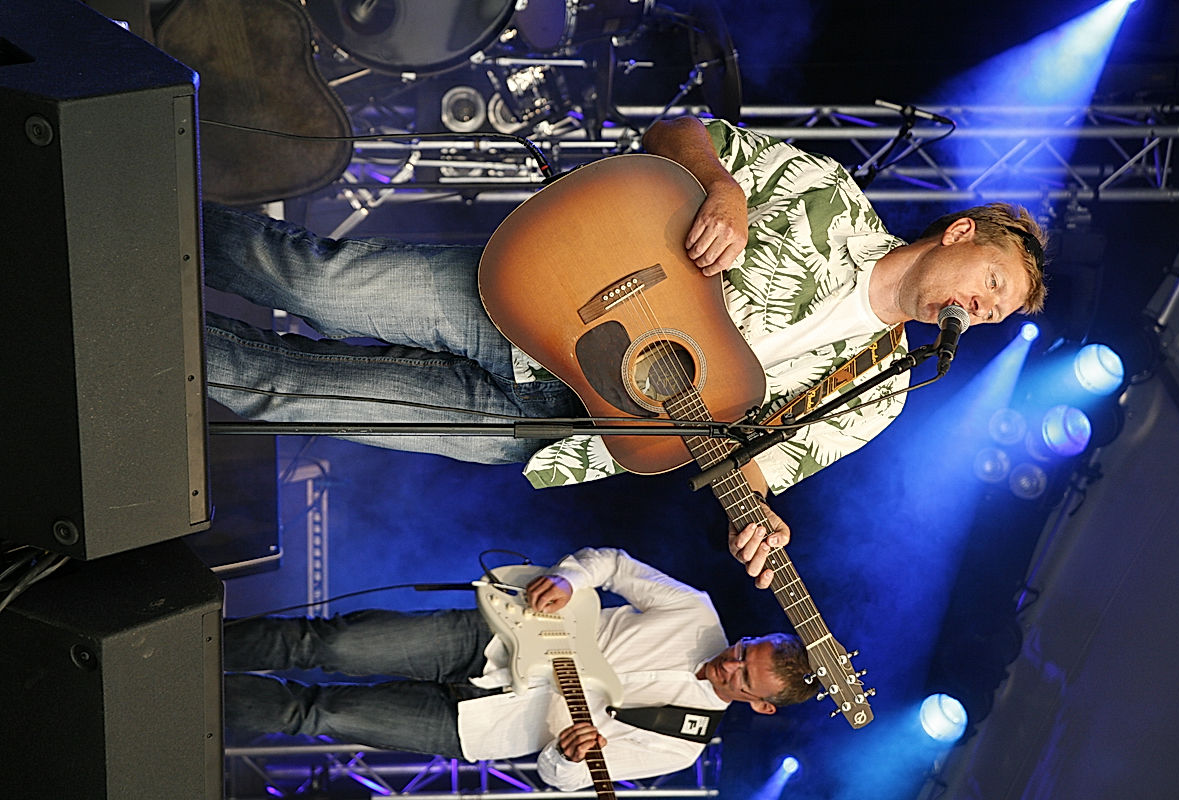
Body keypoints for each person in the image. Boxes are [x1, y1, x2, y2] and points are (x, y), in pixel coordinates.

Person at [203, 116, 1048, 583]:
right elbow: (675, 133)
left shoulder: (883, 387)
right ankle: (118, 205)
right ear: (961, 233)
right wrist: (721, 186)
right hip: (547, 300)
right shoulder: (828, 199)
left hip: (558, 428)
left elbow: (761, 463)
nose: (979, 311)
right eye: (991, 284)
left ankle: (103, 354)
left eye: (994, 316)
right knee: (310, 280)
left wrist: (758, 519)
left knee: (283, 395)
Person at [223, 547, 817, 791]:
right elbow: (611, 563)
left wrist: (570, 752)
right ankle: (199, 645)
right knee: (323, 644)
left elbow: (559, 778)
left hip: (477, 726)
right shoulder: (696, 613)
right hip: (491, 641)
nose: (729, 664)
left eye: (742, 679)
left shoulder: (680, 748)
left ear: (760, 705)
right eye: (744, 651)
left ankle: (183, 696)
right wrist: (569, 578)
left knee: (315, 712)